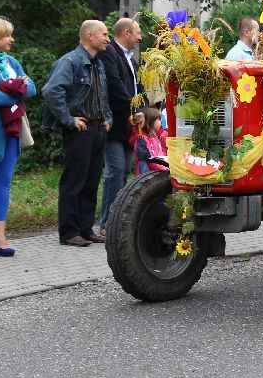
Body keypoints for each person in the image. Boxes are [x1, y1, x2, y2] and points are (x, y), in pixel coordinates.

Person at [42, 20, 112, 247]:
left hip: (97, 128)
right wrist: (68, 119)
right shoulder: (70, 61)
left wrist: (107, 117)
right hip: (80, 130)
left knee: (91, 181)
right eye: (104, 34)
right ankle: (69, 232)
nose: (107, 38)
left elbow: (102, 94)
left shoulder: (97, 63)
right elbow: (52, 91)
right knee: (74, 181)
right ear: (90, 36)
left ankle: (85, 228)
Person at [0, 17, 36, 258]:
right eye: (7, 35)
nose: (12, 40)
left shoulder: (11, 61)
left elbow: (32, 88)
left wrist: (14, 89)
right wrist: (16, 91)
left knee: (4, 182)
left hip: (12, 127)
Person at [99, 17, 144, 235]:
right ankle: (108, 221)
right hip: (115, 123)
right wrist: (135, 108)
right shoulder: (110, 53)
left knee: (124, 170)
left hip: (130, 125)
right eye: (137, 32)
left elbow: (138, 87)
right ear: (126, 33)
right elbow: (115, 86)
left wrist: (142, 110)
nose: (140, 37)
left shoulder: (130, 58)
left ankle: (118, 218)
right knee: (115, 170)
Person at [135, 107, 169, 175]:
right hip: (148, 175)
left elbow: (160, 155)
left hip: (157, 171)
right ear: (150, 122)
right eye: (158, 120)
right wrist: (164, 168)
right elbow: (151, 159)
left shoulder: (155, 138)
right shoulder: (143, 140)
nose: (161, 122)